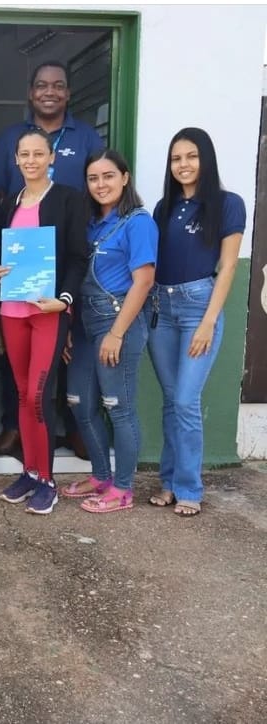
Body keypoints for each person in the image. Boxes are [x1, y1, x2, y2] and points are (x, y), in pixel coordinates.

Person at [0, 60, 104, 459]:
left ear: (68, 93)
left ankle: (73, 428)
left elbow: (100, 188)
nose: (49, 92)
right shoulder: (9, 138)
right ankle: (13, 430)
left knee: (68, 346)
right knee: (17, 363)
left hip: (70, 257)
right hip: (20, 269)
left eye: (58, 86)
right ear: (30, 92)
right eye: (41, 85)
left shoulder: (86, 137)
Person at [146, 128, 245, 517]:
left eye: (191, 156)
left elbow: (228, 267)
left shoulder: (227, 204)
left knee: (186, 400)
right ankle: (169, 483)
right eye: (176, 158)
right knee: (172, 401)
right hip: (161, 309)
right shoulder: (162, 208)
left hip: (198, 308)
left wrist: (208, 321)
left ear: (206, 159)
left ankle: (189, 487)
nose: (183, 165)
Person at [0, 128, 89, 515]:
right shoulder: (10, 203)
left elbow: (79, 258)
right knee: (20, 392)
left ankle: (47, 479)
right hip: (12, 310)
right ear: (16, 160)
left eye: (38, 154)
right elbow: (4, 254)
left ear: (52, 158)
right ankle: (29, 472)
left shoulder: (68, 200)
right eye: (24, 154)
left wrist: (63, 300)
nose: (30, 160)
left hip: (47, 312)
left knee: (37, 395)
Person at [59, 149, 157, 513]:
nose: (101, 185)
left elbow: (143, 281)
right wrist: (70, 325)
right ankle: (100, 476)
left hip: (117, 323)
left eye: (108, 176)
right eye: (93, 178)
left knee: (119, 407)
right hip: (83, 324)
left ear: (125, 178)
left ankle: (124, 488)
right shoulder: (89, 224)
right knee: (79, 403)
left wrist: (117, 333)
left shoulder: (138, 222)